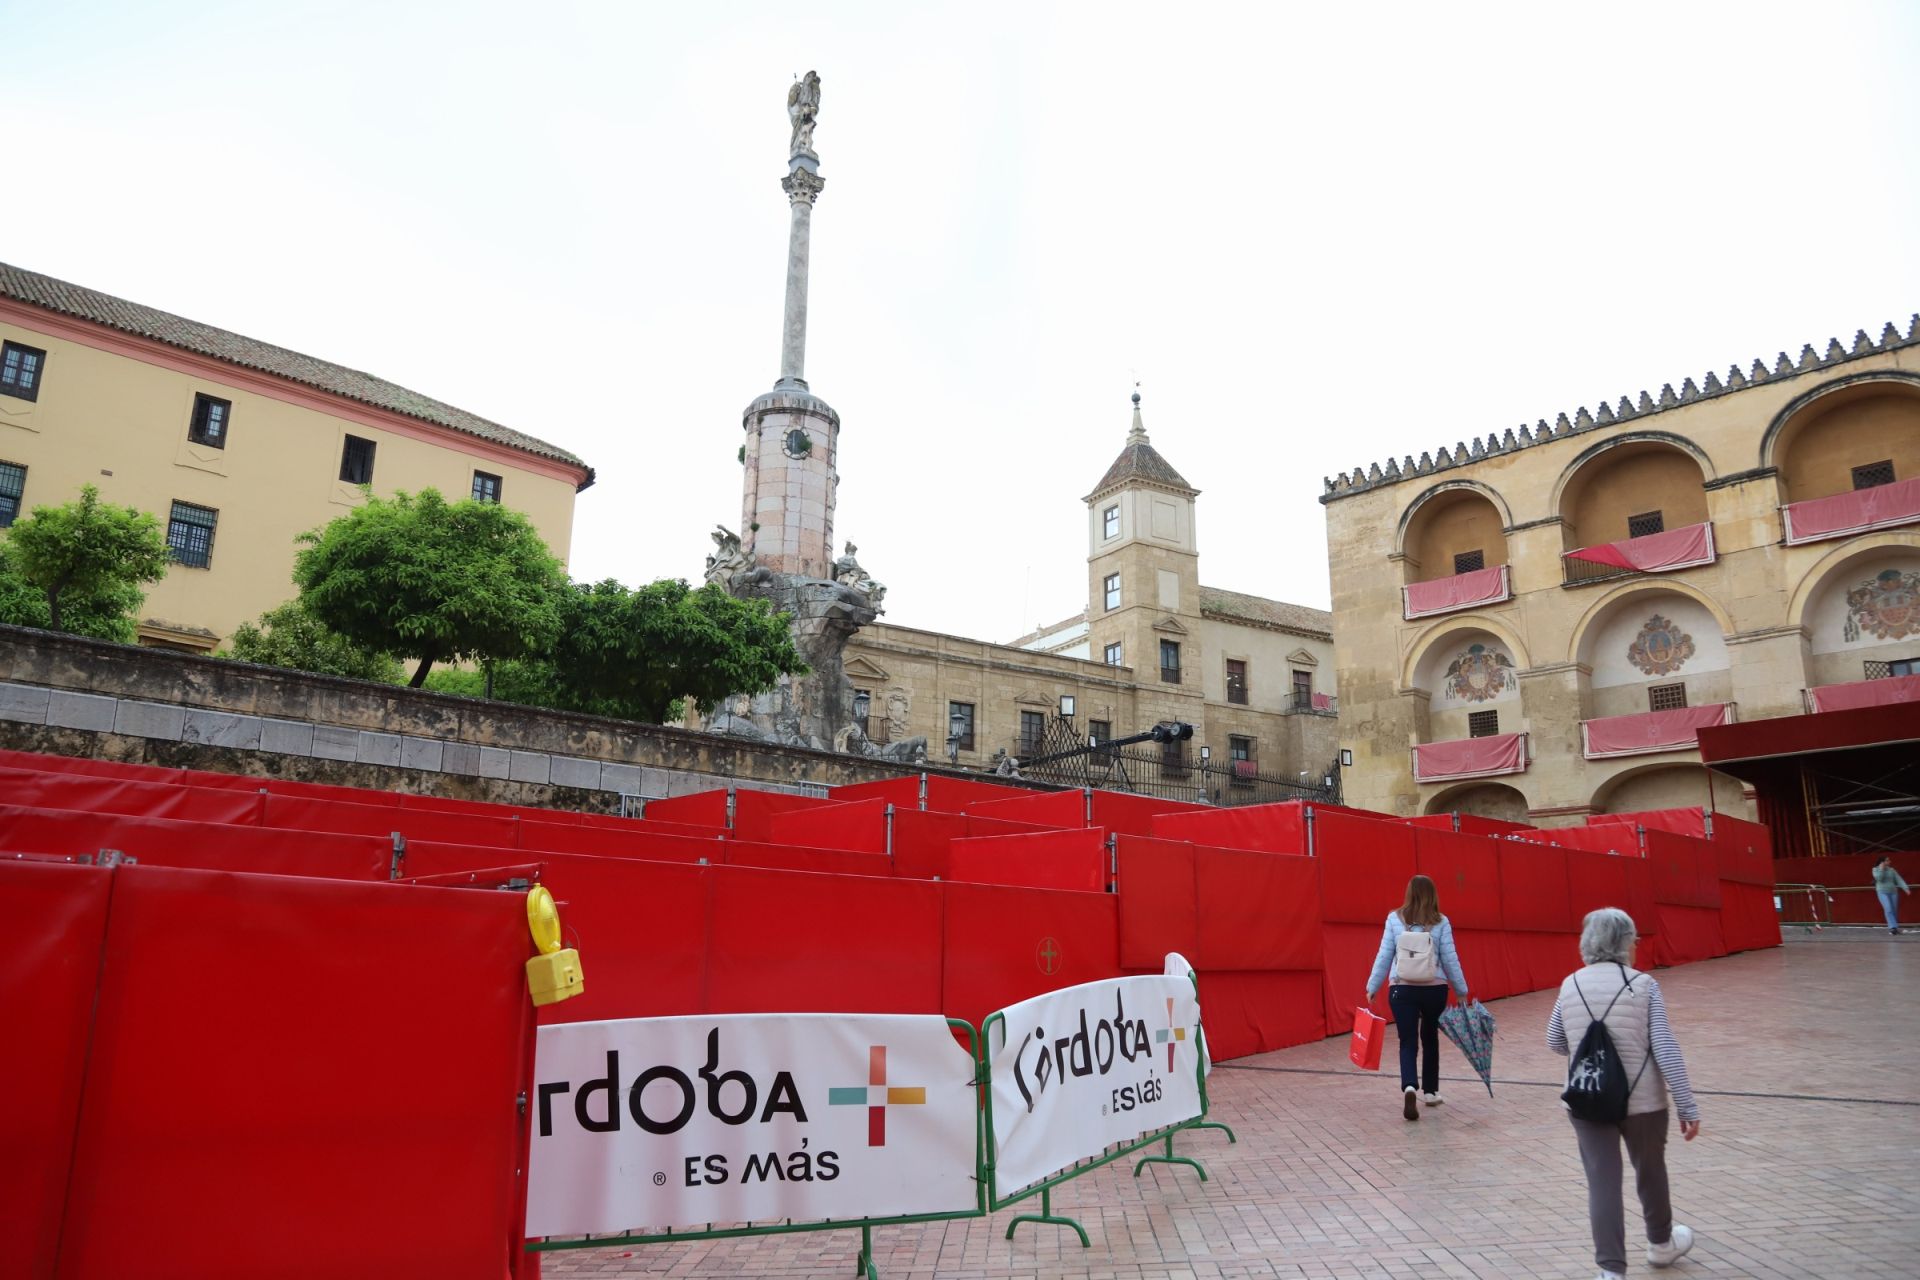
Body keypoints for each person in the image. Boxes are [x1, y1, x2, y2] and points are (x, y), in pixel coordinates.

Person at [1548, 908, 1702, 1280]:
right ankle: (1661, 1245)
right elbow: (1664, 1047)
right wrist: (1686, 1103)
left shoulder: (1570, 984)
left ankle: (1611, 1271)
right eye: (1635, 938)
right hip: (1644, 1102)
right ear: (1623, 942)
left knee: (1602, 1182)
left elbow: (1554, 1041)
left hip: (1587, 1099)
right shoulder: (1644, 985)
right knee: (1650, 1172)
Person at [1363, 874, 1470, 1121]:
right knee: (1430, 1037)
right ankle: (1431, 1092)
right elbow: (1450, 959)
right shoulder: (1441, 921)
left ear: (1408, 893)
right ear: (1433, 895)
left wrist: (1373, 985)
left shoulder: (1394, 919)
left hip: (1402, 989)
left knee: (1407, 1040)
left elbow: (1384, 955)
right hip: (1435, 989)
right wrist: (1461, 990)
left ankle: (1410, 1085)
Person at [1872, 855, 1910, 935]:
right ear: (1882, 862)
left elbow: (1898, 879)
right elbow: (1879, 879)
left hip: (1893, 892)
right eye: (1887, 860)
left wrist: (1905, 888)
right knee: (1888, 908)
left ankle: (1894, 928)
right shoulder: (1875, 870)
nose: (1889, 862)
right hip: (1882, 892)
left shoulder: (1892, 870)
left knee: (1894, 910)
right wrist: (1881, 869)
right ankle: (1892, 927)